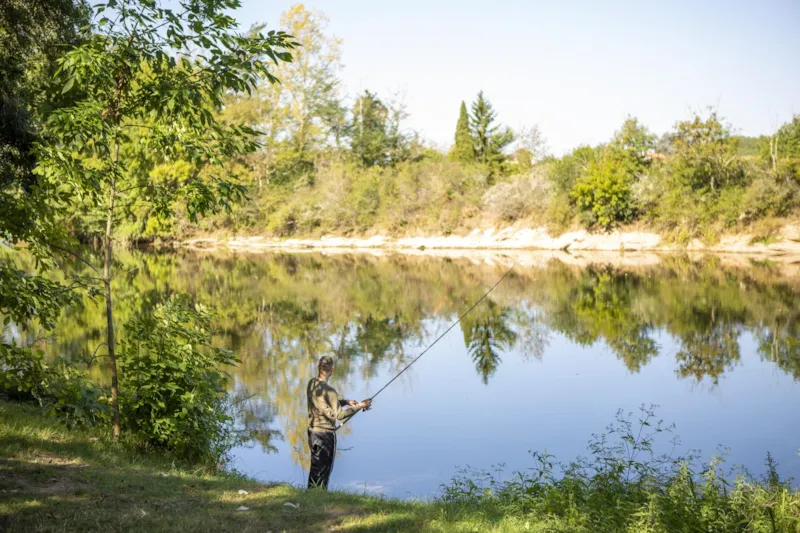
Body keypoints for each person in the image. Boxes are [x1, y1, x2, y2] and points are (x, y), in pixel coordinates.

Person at [306, 355, 372, 490]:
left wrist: (346, 402)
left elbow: (323, 404)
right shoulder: (330, 391)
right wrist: (360, 406)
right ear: (332, 369)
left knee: (315, 467)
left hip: (312, 432)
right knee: (324, 469)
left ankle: (311, 494)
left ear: (318, 367)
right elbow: (340, 415)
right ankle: (319, 497)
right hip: (325, 435)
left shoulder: (311, 384)